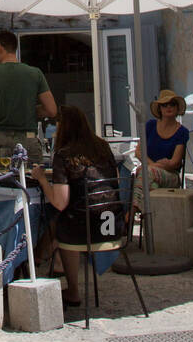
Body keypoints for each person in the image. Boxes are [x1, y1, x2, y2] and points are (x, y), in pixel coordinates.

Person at [30, 104, 123, 308]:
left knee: (57, 219)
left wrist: (42, 180)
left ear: (62, 127)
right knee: (64, 220)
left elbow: (60, 202)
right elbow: (114, 178)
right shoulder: (102, 147)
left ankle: (70, 287)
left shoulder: (64, 155)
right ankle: (52, 257)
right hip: (112, 224)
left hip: (86, 228)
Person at [0, 30, 57, 164]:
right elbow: (51, 110)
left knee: (3, 181)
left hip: (1, 139)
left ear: (0, 48)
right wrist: (28, 111)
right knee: (33, 181)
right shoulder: (35, 74)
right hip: (29, 138)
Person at [134, 89, 190, 203]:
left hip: (171, 175)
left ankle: (134, 211)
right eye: (164, 105)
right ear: (160, 108)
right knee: (152, 184)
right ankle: (151, 216)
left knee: (145, 172)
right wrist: (153, 165)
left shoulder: (182, 131)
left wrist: (152, 168)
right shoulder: (150, 125)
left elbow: (175, 162)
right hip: (151, 172)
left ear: (177, 107)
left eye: (172, 104)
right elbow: (138, 152)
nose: (168, 107)